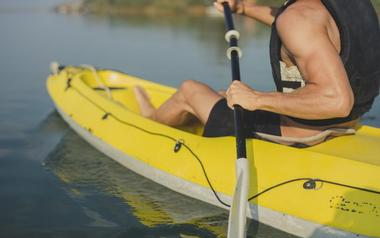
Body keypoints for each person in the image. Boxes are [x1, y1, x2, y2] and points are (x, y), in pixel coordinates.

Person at [134, 0, 380, 145]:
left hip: (304, 134)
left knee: (190, 90)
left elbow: (337, 100)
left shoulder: (299, 19)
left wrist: (257, 99)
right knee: (224, 94)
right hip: (349, 123)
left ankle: (147, 127)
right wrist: (244, 7)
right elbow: (307, 27)